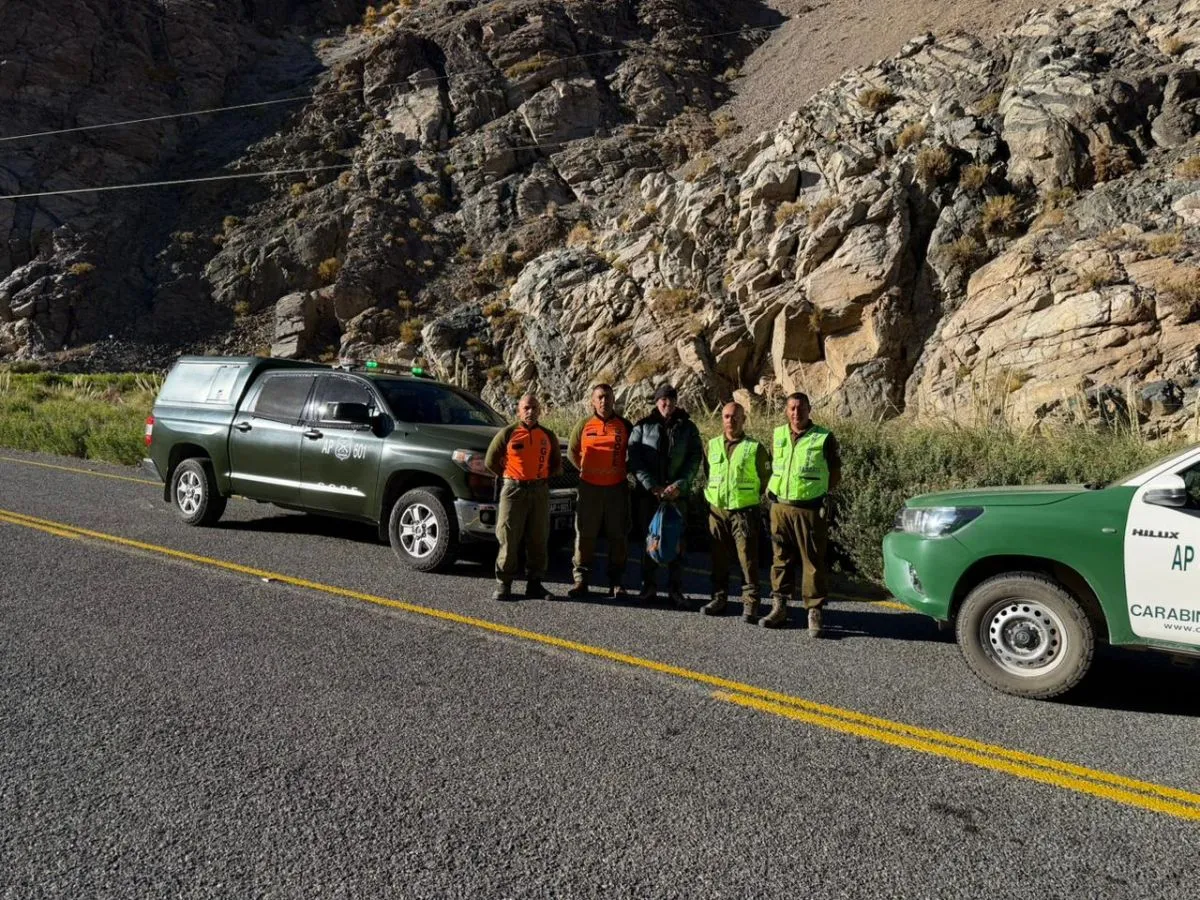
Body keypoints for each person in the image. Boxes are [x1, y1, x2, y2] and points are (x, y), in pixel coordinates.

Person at [764, 392, 842, 635]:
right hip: (780, 507)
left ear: (809, 409)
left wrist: (816, 493)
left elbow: (835, 473)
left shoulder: (823, 437)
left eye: (800, 408)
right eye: (792, 408)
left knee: (813, 561)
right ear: (786, 411)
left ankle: (814, 611)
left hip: (808, 509)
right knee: (780, 558)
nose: (796, 412)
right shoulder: (778, 434)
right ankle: (780, 606)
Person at [627, 383, 703, 609]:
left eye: (670, 399)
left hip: (677, 497)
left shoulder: (688, 428)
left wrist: (679, 485)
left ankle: (675, 589)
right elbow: (635, 459)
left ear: (676, 402)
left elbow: (694, 458)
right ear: (656, 401)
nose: (666, 404)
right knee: (649, 541)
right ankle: (648, 586)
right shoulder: (641, 426)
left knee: (677, 542)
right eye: (662, 399)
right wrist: (652, 486)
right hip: (649, 496)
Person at [484, 393, 563, 601]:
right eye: (526, 408)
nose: (531, 412)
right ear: (518, 410)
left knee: (538, 538)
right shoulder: (508, 433)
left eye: (535, 408)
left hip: (539, 491)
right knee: (508, 537)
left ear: (540, 411)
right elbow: (490, 461)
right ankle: (504, 584)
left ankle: (535, 584)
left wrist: (542, 477)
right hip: (513, 490)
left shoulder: (548, 435)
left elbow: (556, 464)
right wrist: (509, 475)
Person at [702, 402, 771, 623]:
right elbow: (707, 472)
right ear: (722, 419)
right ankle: (719, 597)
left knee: (747, 559)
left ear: (744, 419)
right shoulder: (711, 445)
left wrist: (749, 497)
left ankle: (750, 603)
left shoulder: (755, 447)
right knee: (718, 556)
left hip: (743, 511)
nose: (730, 421)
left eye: (735, 417)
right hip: (717, 509)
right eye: (726, 416)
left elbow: (766, 478)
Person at [567, 384, 633, 599]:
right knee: (585, 536)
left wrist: (622, 472)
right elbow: (572, 452)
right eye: (600, 397)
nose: (604, 401)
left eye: (608, 397)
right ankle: (581, 581)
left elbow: (634, 454)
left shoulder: (624, 425)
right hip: (589, 490)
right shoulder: (584, 425)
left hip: (616, 489)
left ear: (614, 400)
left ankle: (617, 582)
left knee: (618, 536)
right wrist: (585, 471)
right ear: (593, 401)